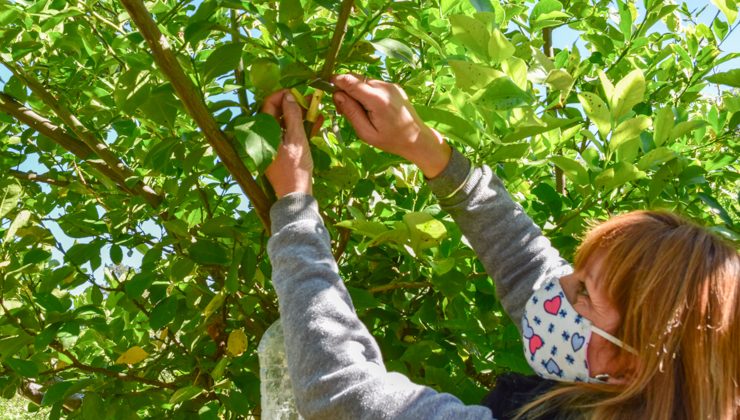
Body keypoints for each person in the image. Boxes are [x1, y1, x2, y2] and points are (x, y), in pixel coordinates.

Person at [261, 74, 740, 420]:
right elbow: (524, 262)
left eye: (584, 293)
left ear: (633, 360)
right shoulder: (634, 392)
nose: (559, 288)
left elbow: (341, 392)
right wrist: (425, 147)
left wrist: (295, 209)